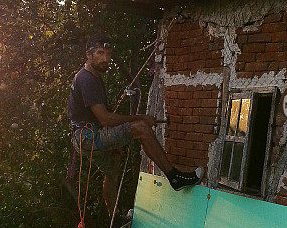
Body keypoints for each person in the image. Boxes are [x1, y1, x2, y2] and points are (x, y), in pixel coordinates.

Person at [68, 35, 204, 216]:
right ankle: (175, 177)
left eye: (108, 54)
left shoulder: (91, 76)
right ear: (88, 54)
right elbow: (105, 119)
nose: (105, 58)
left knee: (112, 169)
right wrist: (139, 117)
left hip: (85, 138)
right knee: (141, 128)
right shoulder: (87, 79)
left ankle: (114, 216)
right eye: (100, 53)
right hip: (87, 136)